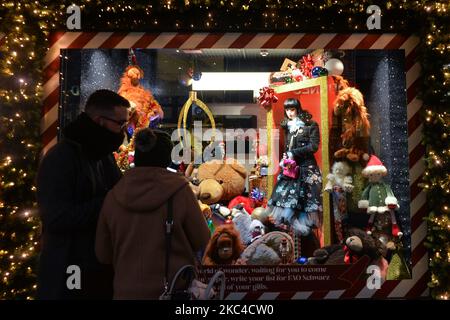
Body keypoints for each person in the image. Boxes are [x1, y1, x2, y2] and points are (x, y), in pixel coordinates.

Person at [95, 128, 210, 299]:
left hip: (125, 292)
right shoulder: (180, 191)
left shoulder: (114, 195)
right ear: (166, 157)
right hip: (172, 291)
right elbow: (201, 238)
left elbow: (103, 254)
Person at [37, 89, 130, 299]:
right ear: (99, 121)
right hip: (69, 267)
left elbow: (118, 191)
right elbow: (56, 218)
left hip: (96, 266)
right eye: (120, 124)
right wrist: (108, 202)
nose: (124, 131)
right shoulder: (61, 158)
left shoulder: (103, 156)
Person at [268, 98, 322, 256]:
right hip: (291, 171)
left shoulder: (310, 125)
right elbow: (288, 147)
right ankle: (293, 253)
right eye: (287, 110)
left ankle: (309, 253)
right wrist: (286, 157)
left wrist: (294, 153)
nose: (289, 113)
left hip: (306, 171)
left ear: (298, 108)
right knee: (288, 212)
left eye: (292, 109)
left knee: (305, 211)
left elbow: (313, 146)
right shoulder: (287, 126)